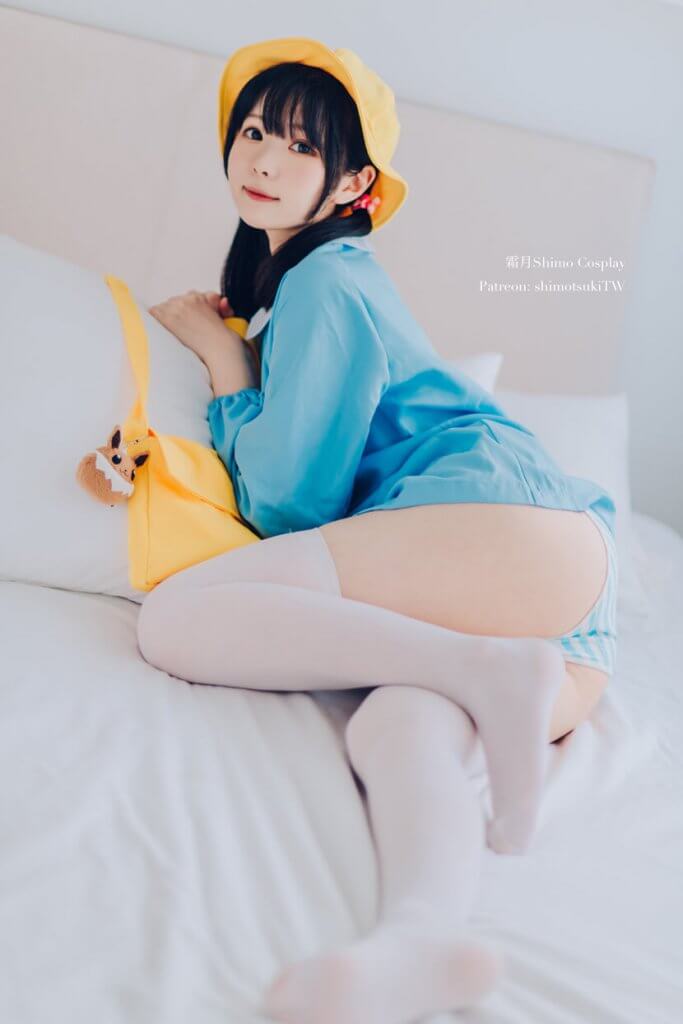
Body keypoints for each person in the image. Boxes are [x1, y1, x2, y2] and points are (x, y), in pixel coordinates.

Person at [140, 37, 619, 1024]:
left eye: (301, 147)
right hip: (564, 603)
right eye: (254, 132)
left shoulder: (326, 279)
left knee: (175, 620)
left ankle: (486, 665)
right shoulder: (308, 288)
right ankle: (417, 939)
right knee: (396, 727)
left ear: (354, 184)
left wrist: (224, 363)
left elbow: (288, 501)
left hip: (493, 523)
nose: (264, 160)